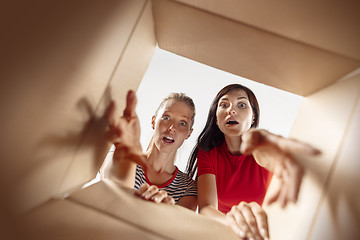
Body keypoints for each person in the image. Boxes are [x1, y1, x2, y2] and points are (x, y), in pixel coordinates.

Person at [186, 84, 321, 239]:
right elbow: (206, 209)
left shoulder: (261, 147)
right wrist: (234, 223)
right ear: (216, 118)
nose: (231, 110)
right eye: (224, 105)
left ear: (253, 118)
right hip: (222, 231)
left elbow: (262, 153)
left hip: (263, 232)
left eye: (241, 104)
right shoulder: (208, 152)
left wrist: (270, 149)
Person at [102, 90, 197, 211]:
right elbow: (113, 186)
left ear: (189, 133)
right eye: (166, 117)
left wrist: (163, 216)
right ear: (153, 121)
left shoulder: (188, 188)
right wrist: (126, 159)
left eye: (182, 123)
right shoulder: (118, 157)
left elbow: (176, 227)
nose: (172, 127)